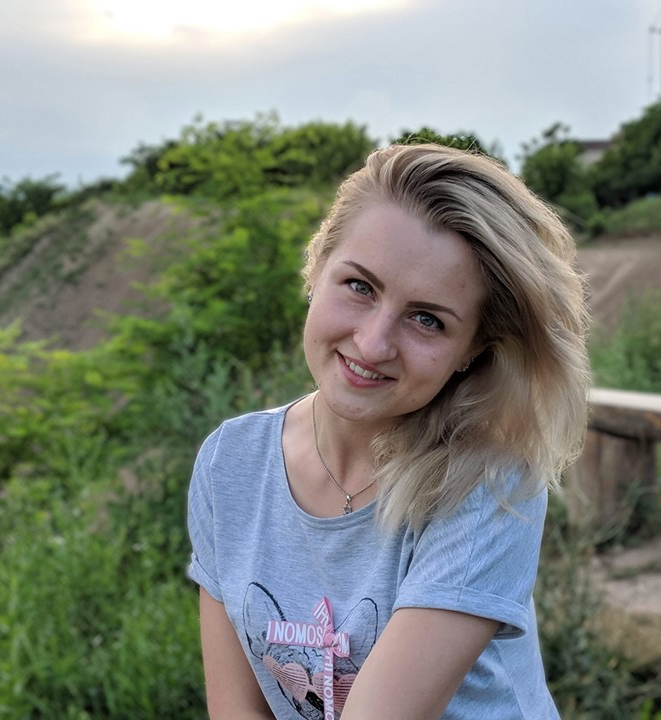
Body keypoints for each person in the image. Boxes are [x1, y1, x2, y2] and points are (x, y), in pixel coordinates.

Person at [187, 142, 591, 719]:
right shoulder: (231, 461)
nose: (374, 343)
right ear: (317, 267)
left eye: (427, 319)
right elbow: (237, 710)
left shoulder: (489, 486)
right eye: (360, 286)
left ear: (472, 350)